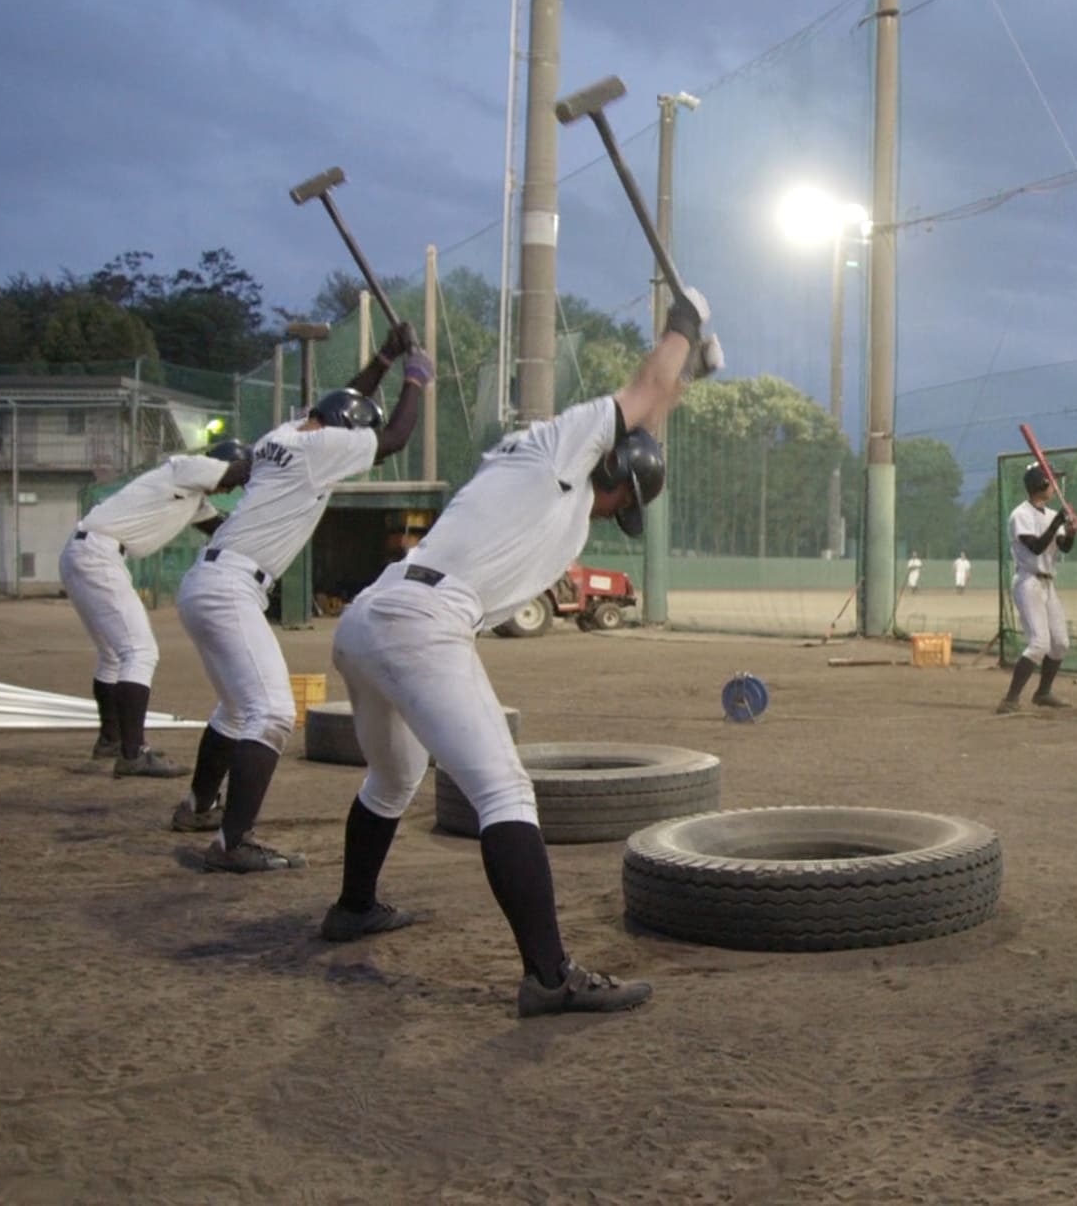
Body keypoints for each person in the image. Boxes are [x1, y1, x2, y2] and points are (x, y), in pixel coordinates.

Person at [320, 290, 723, 1016]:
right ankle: (548, 976)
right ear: (611, 475)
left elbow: (651, 411)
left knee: (393, 776)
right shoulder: (560, 445)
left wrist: (687, 373)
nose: (611, 515)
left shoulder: (551, 478)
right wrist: (686, 319)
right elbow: (644, 392)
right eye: (620, 503)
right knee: (506, 794)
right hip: (422, 620)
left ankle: (353, 908)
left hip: (371, 617)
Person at [170, 324, 427, 872]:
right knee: (273, 712)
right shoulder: (321, 448)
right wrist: (417, 379)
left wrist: (385, 354)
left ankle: (198, 806)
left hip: (206, 581)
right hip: (231, 587)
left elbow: (343, 404)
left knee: (238, 707)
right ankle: (232, 843)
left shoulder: (283, 434)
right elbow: (395, 437)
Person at [63, 439, 252, 777]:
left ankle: (112, 741)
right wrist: (280, 459)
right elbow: (238, 470)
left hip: (86, 551)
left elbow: (220, 530)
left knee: (114, 654)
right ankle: (133, 753)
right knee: (140, 651)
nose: (231, 487)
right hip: (97, 554)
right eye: (231, 481)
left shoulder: (194, 496)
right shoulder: (188, 467)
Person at [998, 464, 1077, 714]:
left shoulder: (1050, 513)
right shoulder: (1020, 515)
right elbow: (1035, 547)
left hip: (1047, 583)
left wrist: (1072, 531)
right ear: (1040, 485)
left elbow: (1063, 547)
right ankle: (1010, 700)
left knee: (1061, 643)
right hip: (1028, 582)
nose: (1054, 486)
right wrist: (1056, 523)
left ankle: (1043, 692)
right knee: (1039, 643)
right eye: (1051, 481)